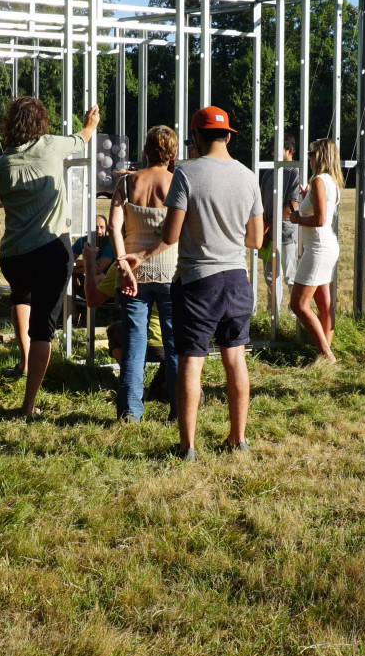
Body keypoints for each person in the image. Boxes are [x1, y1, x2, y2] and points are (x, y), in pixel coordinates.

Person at [128, 107, 263, 460]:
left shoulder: (186, 172)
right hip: (236, 280)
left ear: (196, 138)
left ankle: (187, 446)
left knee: (192, 361)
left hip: (197, 281)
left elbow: (170, 235)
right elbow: (256, 239)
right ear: (229, 136)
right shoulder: (249, 177)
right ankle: (239, 438)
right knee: (235, 359)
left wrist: (140, 255)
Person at [0, 95, 101, 419]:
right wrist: (90, 123)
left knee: (20, 296)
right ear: (41, 123)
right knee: (43, 329)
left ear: (9, 125)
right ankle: (28, 406)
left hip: (13, 255)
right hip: (51, 250)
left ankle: (24, 362)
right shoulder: (51, 145)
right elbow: (81, 141)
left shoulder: (0, 165)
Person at [110, 124, 179, 422]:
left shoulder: (126, 184)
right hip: (171, 274)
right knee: (176, 345)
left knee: (133, 345)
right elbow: (177, 233)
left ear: (145, 150)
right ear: (173, 153)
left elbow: (113, 226)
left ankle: (130, 413)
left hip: (131, 276)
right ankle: (179, 410)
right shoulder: (178, 183)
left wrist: (123, 263)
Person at [288, 138, 344, 364]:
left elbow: (321, 219)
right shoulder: (331, 181)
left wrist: (297, 218)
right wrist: (306, 198)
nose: (308, 157)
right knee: (324, 304)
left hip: (318, 248)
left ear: (319, 156)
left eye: (311, 153)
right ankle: (324, 351)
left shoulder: (319, 181)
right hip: (326, 246)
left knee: (298, 304)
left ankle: (326, 354)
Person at [258, 134, 303, 305]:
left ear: (290, 151)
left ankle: (293, 319)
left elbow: (292, 204)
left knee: (291, 278)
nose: (272, 154)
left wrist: (268, 225)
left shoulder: (295, 172)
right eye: (271, 150)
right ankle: (273, 316)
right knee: (270, 278)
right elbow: (261, 203)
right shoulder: (268, 173)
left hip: (286, 235)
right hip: (268, 236)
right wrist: (263, 228)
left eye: (277, 150)